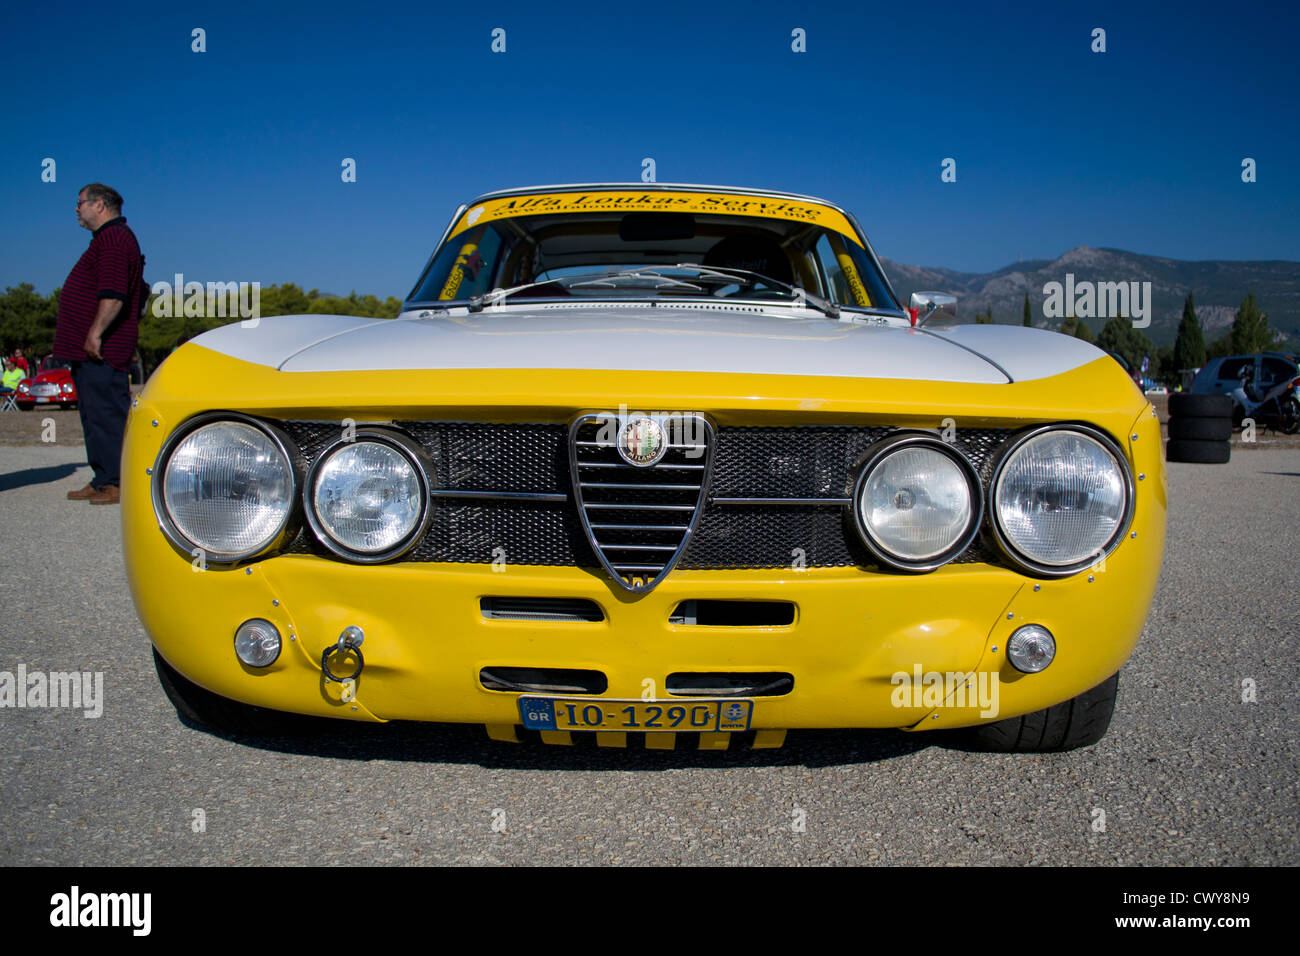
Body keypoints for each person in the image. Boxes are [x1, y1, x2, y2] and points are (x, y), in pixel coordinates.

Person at [52, 183, 147, 505]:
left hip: (103, 349)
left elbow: (114, 293)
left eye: (80, 203)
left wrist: (96, 333)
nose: (76, 209)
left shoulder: (115, 239)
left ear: (99, 205)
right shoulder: (108, 240)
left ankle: (119, 481)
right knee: (94, 415)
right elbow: (141, 290)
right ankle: (104, 477)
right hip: (92, 350)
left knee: (107, 413)